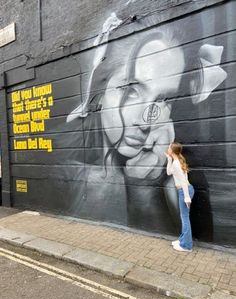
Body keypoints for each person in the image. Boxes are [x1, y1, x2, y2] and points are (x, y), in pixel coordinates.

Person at [64, 13, 227, 237]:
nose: (144, 121)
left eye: (164, 99)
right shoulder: (66, 175)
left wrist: (145, 190)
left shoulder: (183, 178)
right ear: (98, 94)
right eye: (131, 91)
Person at [166, 142, 195, 252]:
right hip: (185, 190)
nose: (167, 149)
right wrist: (169, 159)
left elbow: (183, 181)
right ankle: (182, 239)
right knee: (184, 217)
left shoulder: (177, 164)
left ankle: (186, 246)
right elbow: (169, 172)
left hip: (185, 191)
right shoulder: (176, 161)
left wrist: (187, 197)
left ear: (172, 150)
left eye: (169, 148)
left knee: (185, 218)